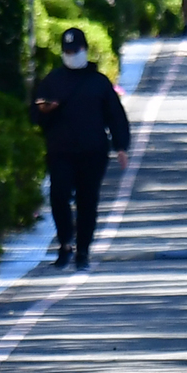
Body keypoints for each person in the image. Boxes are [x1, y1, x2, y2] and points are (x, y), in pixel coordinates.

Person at [32, 26, 131, 268]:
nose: (71, 54)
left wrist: (121, 146)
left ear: (84, 50)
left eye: (75, 50)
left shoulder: (99, 83)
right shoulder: (52, 81)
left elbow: (115, 116)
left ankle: (83, 249)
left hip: (92, 152)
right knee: (59, 196)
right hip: (60, 151)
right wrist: (46, 110)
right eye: (67, 51)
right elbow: (35, 114)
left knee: (88, 200)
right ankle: (65, 243)